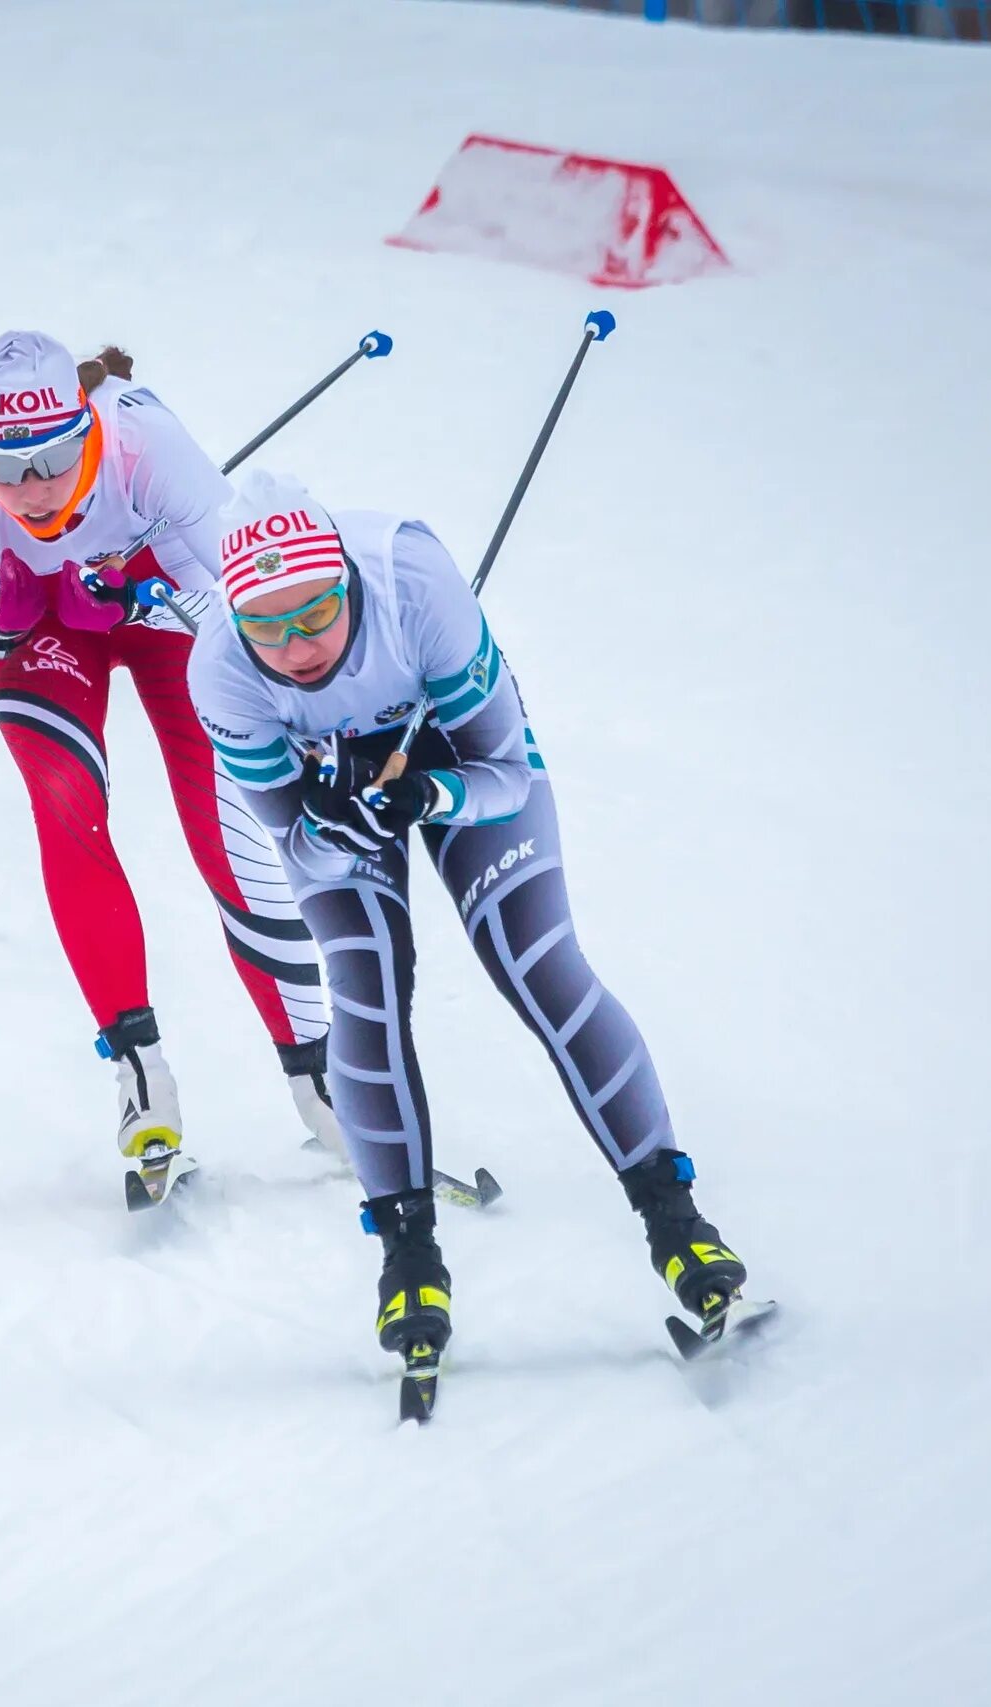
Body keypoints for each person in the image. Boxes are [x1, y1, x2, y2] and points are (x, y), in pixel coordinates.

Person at [185, 470, 757, 1391]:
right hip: (332, 778)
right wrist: (327, 824)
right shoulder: (219, 667)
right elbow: (288, 831)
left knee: (536, 961)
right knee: (364, 982)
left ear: (348, 583)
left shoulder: (417, 585)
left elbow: (506, 773)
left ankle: (676, 1220)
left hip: (455, 752)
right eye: (269, 628)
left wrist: (427, 792)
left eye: (317, 615)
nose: (296, 647)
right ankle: (408, 1260)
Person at [0, 331, 335, 1207]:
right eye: (4, 466)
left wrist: (143, 587)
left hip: (158, 612)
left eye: (55, 459)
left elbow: (239, 618)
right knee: (67, 804)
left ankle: (322, 1079)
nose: (30, 490)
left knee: (231, 821)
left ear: (88, 429)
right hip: (41, 636)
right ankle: (142, 1075)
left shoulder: (150, 449)